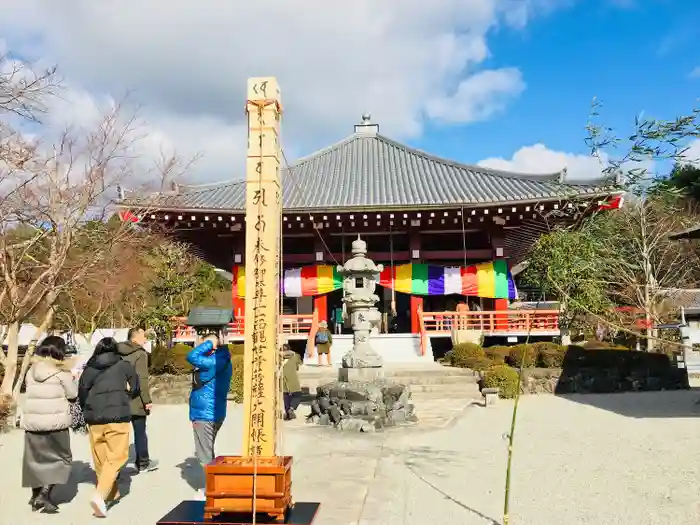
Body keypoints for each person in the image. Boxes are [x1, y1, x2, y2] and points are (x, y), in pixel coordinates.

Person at [79, 337, 139, 518]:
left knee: (101, 459)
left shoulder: (89, 368)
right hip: (117, 417)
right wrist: (124, 395)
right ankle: (100, 495)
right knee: (117, 456)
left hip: (94, 418)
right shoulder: (124, 365)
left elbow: (81, 392)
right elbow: (135, 388)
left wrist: (88, 409)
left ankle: (110, 494)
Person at [21, 335, 78, 513]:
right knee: (61, 459)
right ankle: (44, 495)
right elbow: (72, 394)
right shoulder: (62, 372)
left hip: (33, 423)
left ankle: (35, 495)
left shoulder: (31, 371)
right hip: (56, 424)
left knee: (36, 460)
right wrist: (73, 378)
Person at [186, 334, 232, 498]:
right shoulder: (223, 359)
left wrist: (208, 343)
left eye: (202, 343)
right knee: (208, 451)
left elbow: (191, 356)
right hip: (215, 411)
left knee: (204, 455)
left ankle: (211, 491)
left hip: (204, 413)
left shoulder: (213, 361)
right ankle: (213, 486)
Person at [118, 327, 158, 473]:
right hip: (135, 399)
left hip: (119, 398)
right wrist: (147, 400)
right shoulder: (140, 354)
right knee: (140, 431)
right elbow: (142, 379)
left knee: (119, 434)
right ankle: (143, 462)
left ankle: (115, 466)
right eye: (143, 336)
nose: (145, 339)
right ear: (134, 338)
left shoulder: (117, 352)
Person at [281, 344, 302, 420]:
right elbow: (298, 366)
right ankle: (292, 409)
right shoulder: (295, 356)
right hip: (293, 380)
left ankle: (287, 414)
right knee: (297, 395)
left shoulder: (278, 358)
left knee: (286, 397)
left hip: (283, 380)